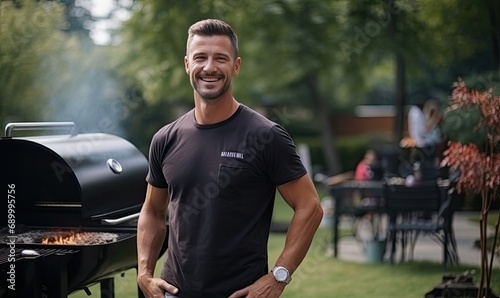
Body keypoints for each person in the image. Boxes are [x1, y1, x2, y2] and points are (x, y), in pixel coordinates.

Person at [137, 19, 323, 298]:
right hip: (173, 292)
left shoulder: (266, 136)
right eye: (200, 57)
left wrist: (279, 275)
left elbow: (310, 207)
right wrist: (144, 274)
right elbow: (152, 211)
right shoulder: (165, 138)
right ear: (187, 64)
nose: (209, 67)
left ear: (235, 66)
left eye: (220, 58)